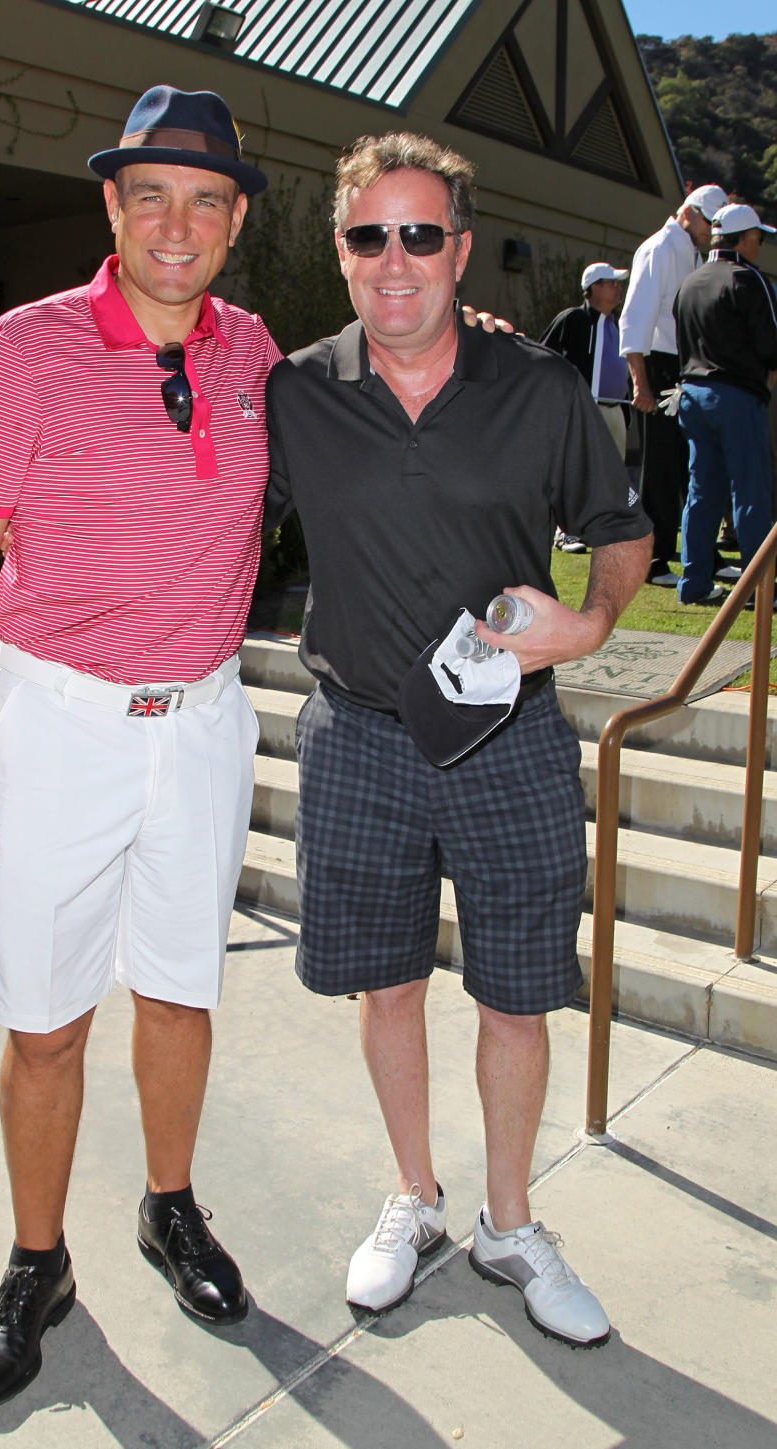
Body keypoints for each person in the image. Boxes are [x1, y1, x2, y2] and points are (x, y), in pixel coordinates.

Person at [0, 85, 280, 1408]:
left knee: (182, 989)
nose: (176, 225)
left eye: (205, 200)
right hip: (56, 723)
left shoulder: (254, 353)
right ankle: (36, 1260)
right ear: (112, 207)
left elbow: (382, 411)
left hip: (201, 722)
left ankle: (169, 1207)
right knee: (48, 1017)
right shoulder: (25, 346)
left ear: (235, 219)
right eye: (151, 195)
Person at [265, 132, 652, 1348]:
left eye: (421, 235)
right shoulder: (295, 392)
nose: (396, 261)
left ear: (460, 251)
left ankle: (507, 1220)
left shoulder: (536, 386)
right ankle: (416, 1197)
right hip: (360, 737)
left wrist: (586, 626)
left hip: (509, 738)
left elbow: (622, 533)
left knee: (516, 997)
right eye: (370, 235)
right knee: (386, 986)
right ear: (340, 253)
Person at [619, 183, 728, 587]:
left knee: (690, 466)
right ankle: (653, 560)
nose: (711, 232)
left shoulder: (691, 253)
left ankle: (704, 554)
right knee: (660, 470)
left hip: (682, 366)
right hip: (657, 366)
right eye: (709, 223)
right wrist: (640, 382)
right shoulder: (659, 248)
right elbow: (635, 318)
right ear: (691, 213)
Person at [673, 202, 777, 607]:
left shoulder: (691, 280)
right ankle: (756, 589)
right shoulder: (749, 279)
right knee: (750, 490)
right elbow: (771, 346)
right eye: (760, 238)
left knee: (702, 492)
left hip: (692, 395)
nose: (761, 245)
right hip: (737, 395)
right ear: (747, 238)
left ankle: (694, 582)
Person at [540, 261, 631, 552]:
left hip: (615, 409)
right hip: (582, 410)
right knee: (575, 471)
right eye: (610, 283)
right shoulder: (573, 319)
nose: (618, 289)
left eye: (618, 284)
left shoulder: (619, 325)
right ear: (592, 289)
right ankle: (566, 532)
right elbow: (544, 356)